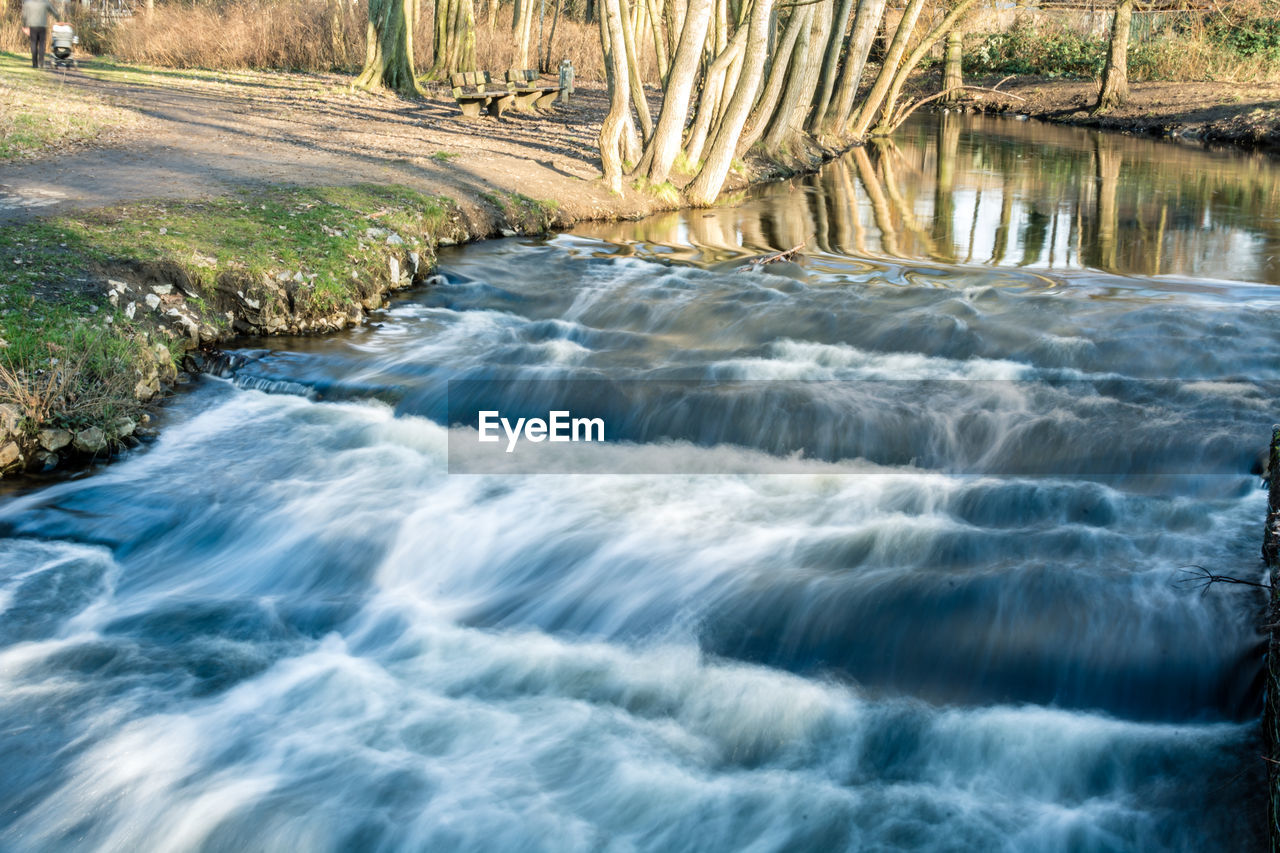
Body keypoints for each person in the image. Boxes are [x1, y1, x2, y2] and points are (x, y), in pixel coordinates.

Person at [21, 0, 63, 70]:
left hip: (32, 26)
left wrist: (25, 26)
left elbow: (24, 15)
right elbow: (54, 12)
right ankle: (41, 63)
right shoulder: (45, 2)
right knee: (42, 44)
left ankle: (34, 64)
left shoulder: (27, 3)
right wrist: (59, 20)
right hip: (42, 26)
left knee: (33, 44)